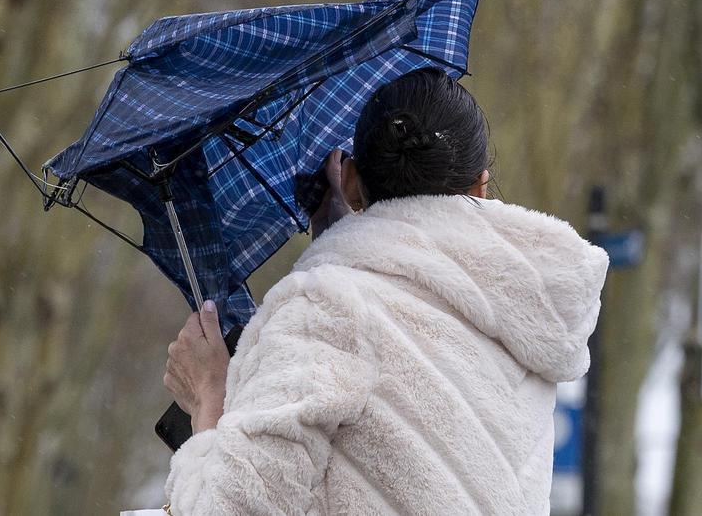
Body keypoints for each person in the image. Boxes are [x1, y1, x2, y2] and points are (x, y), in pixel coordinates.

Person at [162, 68, 608, 515]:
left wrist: (210, 396)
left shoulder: (325, 311)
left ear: (350, 181)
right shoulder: (527, 312)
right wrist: (344, 253)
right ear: (481, 185)